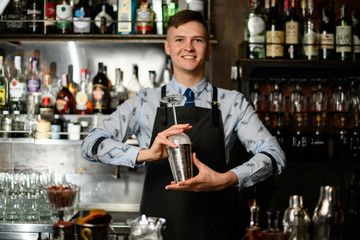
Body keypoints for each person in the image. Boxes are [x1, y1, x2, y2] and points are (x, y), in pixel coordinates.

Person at [82, 10, 286, 240]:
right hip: (155, 233)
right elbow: (91, 144)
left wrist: (228, 178)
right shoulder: (144, 101)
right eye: (180, 40)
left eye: (197, 40)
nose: (188, 47)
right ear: (168, 47)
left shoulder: (233, 102)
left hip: (214, 231)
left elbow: (274, 155)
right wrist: (145, 154)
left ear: (208, 48)